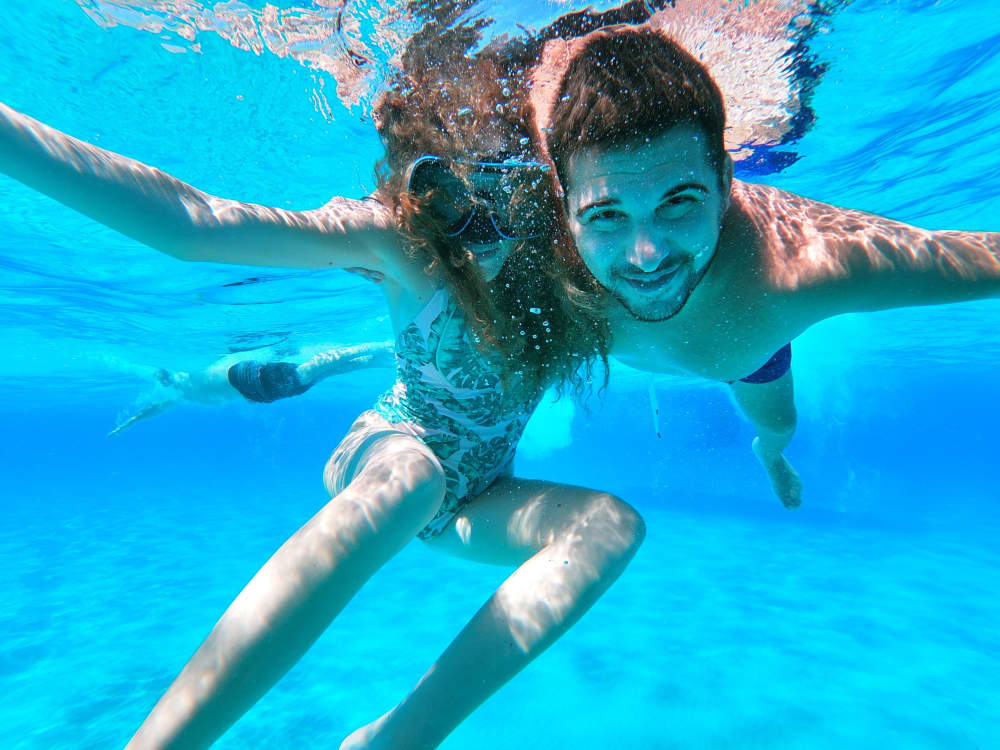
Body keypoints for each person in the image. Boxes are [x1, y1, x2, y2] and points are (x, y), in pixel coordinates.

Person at [0, 33, 646, 750]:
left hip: (482, 496)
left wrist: (769, 433)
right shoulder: (397, 242)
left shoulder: (575, 245)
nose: (482, 229)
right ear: (414, 188)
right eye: (447, 196)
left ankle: (397, 739)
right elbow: (193, 223)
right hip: (390, 452)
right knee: (410, 482)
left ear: (542, 184)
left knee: (612, 526)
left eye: (511, 194)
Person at [534, 26, 999, 507]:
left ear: (726, 182)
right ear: (563, 204)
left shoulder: (796, 270)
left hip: (749, 346)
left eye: (679, 202)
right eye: (607, 215)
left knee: (780, 425)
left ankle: (770, 456)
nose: (646, 256)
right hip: (732, 341)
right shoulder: (523, 260)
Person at [107, 342, 394, 437]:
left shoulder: (184, 379)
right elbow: (152, 410)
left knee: (314, 370)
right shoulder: (178, 391)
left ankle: (381, 347)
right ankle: (386, 356)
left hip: (251, 379)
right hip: (257, 389)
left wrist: (129, 422)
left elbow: (153, 407)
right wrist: (129, 423)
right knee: (321, 372)